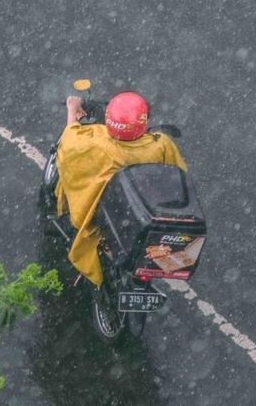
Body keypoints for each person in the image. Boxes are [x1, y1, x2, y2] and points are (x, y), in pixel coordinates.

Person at [54, 92, 187, 286]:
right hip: (145, 211)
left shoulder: (93, 142)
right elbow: (178, 173)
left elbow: (67, 142)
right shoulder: (160, 145)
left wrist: (72, 109)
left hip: (109, 213)